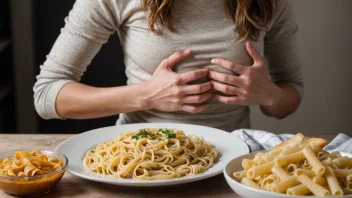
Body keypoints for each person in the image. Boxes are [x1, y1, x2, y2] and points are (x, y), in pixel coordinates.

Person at [33, 0, 303, 132]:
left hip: (232, 162)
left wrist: (269, 94)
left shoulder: (270, 2)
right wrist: (147, 95)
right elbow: (47, 96)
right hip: (137, 159)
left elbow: (290, 97)